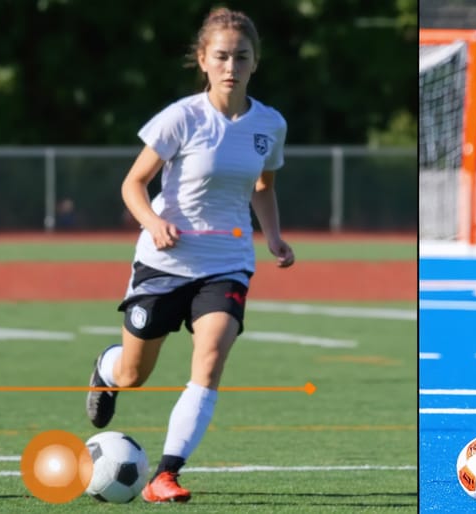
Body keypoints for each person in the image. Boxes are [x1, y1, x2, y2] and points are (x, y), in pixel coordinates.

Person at [85, 8, 295, 503]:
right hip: (164, 262)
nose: (231, 66)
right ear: (203, 60)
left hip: (227, 262)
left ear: (254, 63)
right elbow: (133, 183)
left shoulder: (270, 124)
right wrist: (153, 222)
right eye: (220, 56)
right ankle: (106, 372)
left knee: (211, 358)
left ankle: (165, 475)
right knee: (136, 374)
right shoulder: (181, 117)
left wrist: (274, 236)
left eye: (241, 57)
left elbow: (264, 183)